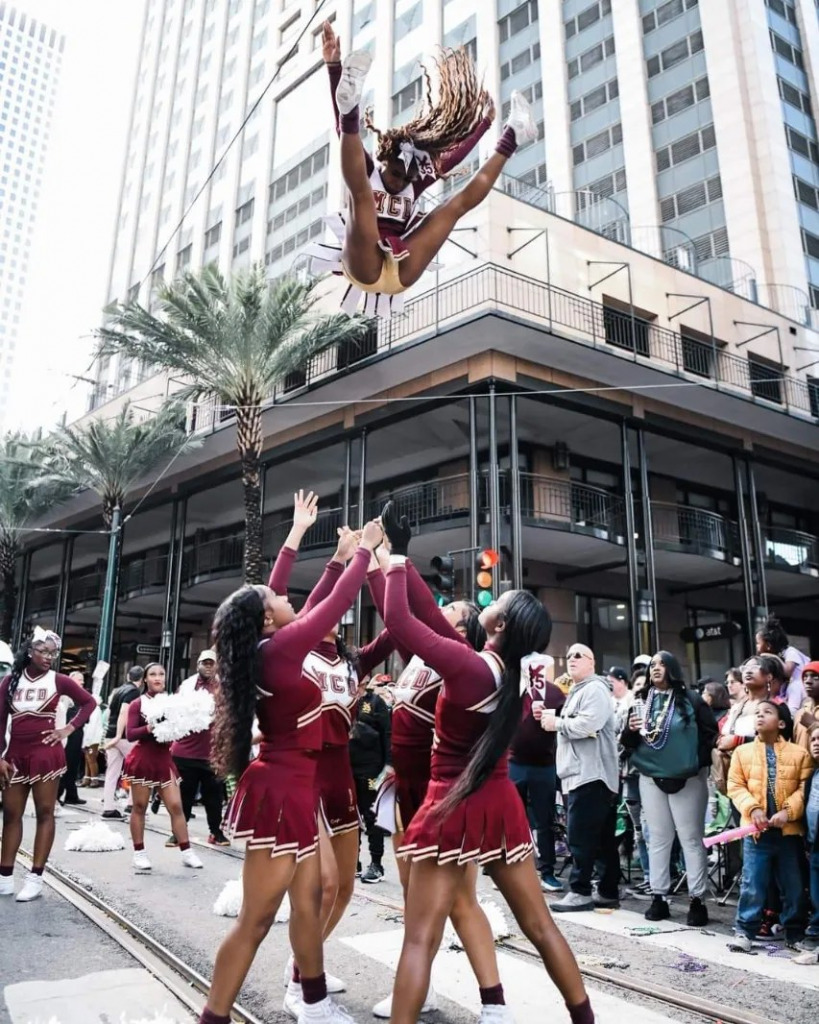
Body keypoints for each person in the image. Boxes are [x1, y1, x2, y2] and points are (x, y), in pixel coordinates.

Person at [380, 505, 595, 1024]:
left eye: (494, 600)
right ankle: (585, 1018)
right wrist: (394, 558)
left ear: (496, 623)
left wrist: (395, 557)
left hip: (449, 803)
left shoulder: (470, 669)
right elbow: (427, 618)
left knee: (420, 937)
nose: (488, 598)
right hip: (499, 805)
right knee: (541, 927)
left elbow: (399, 622)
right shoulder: (512, 673)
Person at [198, 520, 381, 1024]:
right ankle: (212, 1016)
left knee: (311, 899)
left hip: (297, 789)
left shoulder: (274, 645)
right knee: (255, 922)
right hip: (282, 789)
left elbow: (312, 605)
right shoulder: (278, 651)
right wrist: (362, 553)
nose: (284, 596)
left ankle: (313, 1000)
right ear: (266, 620)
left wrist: (339, 557)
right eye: (274, 597)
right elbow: (330, 605)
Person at [368, 540, 507, 1022]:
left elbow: (410, 614)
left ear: (466, 630)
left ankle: (494, 1004)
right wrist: (374, 566)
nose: (441, 610)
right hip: (407, 791)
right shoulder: (418, 659)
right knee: (414, 897)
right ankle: (421, 989)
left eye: (451, 610)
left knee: (461, 901)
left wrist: (390, 564)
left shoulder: (457, 666)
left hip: (439, 793)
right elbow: (395, 616)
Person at [317, 22, 537, 316]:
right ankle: (351, 107)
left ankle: (514, 135)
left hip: (402, 268)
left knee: (453, 207)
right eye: (396, 174)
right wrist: (334, 67)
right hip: (362, 264)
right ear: (384, 160)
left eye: (407, 177)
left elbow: (454, 157)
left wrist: (484, 124)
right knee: (362, 194)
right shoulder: (369, 170)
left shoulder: (413, 182)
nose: (400, 182)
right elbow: (344, 136)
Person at [0, 629, 96, 901]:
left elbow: (88, 702)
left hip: (46, 754)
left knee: (45, 812)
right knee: (10, 815)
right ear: (30, 651)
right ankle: (5, 876)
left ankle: (35, 877)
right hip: (15, 755)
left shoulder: (60, 680)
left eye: (53, 653)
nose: (48, 657)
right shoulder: (9, 681)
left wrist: (67, 729)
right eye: (43, 651)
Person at [623, 651, 718, 926]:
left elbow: (710, 735)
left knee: (690, 838)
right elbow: (628, 741)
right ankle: (659, 896)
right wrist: (630, 730)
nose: (655, 668)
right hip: (651, 776)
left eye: (662, 663)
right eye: (652, 664)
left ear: (673, 668)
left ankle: (697, 899)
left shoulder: (692, 700)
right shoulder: (642, 700)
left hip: (688, 778)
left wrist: (693, 763)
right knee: (658, 838)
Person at [727, 700, 812, 951]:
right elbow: (735, 785)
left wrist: (788, 812)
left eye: (767, 712)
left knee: (793, 885)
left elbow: (803, 788)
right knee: (752, 884)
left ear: (782, 723)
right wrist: (752, 808)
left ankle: (794, 933)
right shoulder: (742, 753)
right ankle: (744, 931)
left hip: (789, 832)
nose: (760, 716)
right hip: (756, 834)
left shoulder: (800, 754)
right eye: (757, 713)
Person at [548, 645, 620, 914]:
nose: (571, 659)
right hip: (584, 773)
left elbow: (588, 725)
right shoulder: (583, 690)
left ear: (593, 661)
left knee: (580, 836)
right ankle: (607, 891)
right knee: (600, 837)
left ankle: (580, 891)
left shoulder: (594, 689)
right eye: (568, 656)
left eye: (579, 655)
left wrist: (556, 724)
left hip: (590, 774)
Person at [121, 662, 203, 872]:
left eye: (161, 674)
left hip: (164, 759)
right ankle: (139, 852)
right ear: (145, 679)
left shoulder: (173, 702)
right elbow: (130, 734)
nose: (157, 678)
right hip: (144, 759)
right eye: (153, 674)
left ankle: (186, 851)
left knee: (176, 806)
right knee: (139, 807)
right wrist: (150, 726)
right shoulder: (137, 704)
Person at [509, 653, 565, 894]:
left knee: (545, 820)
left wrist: (551, 718)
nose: (536, 671)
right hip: (515, 762)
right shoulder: (513, 691)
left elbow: (565, 723)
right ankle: (513, 869)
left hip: (545, 763)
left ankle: (547, 871)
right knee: (512, 819)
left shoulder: (555, 693)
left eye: (541, 667)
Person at [169, 649, 228, 847]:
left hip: (212, 752)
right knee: (183, 795)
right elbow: (174, 713)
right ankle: (178, 831)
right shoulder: (186, 686)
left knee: (214, 797)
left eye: (212, 663)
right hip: (185, 751)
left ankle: (215, 831)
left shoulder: (224, 687)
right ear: (198, 665)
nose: (209, 666)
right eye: (205, 663)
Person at [349, 675, 391, 883]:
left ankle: (376, 864)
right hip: (347, 768)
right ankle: (351, 861)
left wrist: (387, 767)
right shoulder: (344, 701)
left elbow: (387, 735)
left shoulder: (376, 703)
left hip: (371, 770)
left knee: (371, 816)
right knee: (350, 817)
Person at [102, 665, 144, 818]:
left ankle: (108, 807)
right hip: (124, 736)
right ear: (142, 679)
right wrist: (119, 735)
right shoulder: (133, 692)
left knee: (112, 772)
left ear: (128, 676)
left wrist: (114, 735)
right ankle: (131, 804)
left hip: (110, 733)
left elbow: (113, 712)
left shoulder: (119, 690)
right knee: (136, 769)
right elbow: (124, 711)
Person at [756, 615, 808, 715]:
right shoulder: (778, 655)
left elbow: (788, 672)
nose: (757, 647)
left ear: (768, 646)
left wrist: (774, 657)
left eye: (758, 643)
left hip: (799, 686)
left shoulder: (790, 652)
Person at [797, 724, 819, 955]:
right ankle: (815, 930)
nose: (816, 742)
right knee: (816, 893)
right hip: (814, 845)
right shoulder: (813, 775)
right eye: (812, 739)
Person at [57, 670, 90, 807]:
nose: (82, 682)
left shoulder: (80, 696)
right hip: (69, 734)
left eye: (82, 680)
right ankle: (58, 794)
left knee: (73, 764)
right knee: (67, 764)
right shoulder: (66, 697)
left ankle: (71, 794)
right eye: (79, 679)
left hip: (76, 733)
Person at [81, 682, 104, 787]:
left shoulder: (94, 708)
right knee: (88, 758)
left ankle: (94, 779)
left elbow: (93, 726)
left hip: (93, 738)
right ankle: (87, 778)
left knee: (91, 758)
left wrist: (87, 740)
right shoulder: (92, 707)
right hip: (90, 736)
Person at [794, 661, 819, 753]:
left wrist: (813, 725)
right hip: (802, 766)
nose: (808, 681)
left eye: (815, 676)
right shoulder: (800, 713)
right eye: (805, 677)